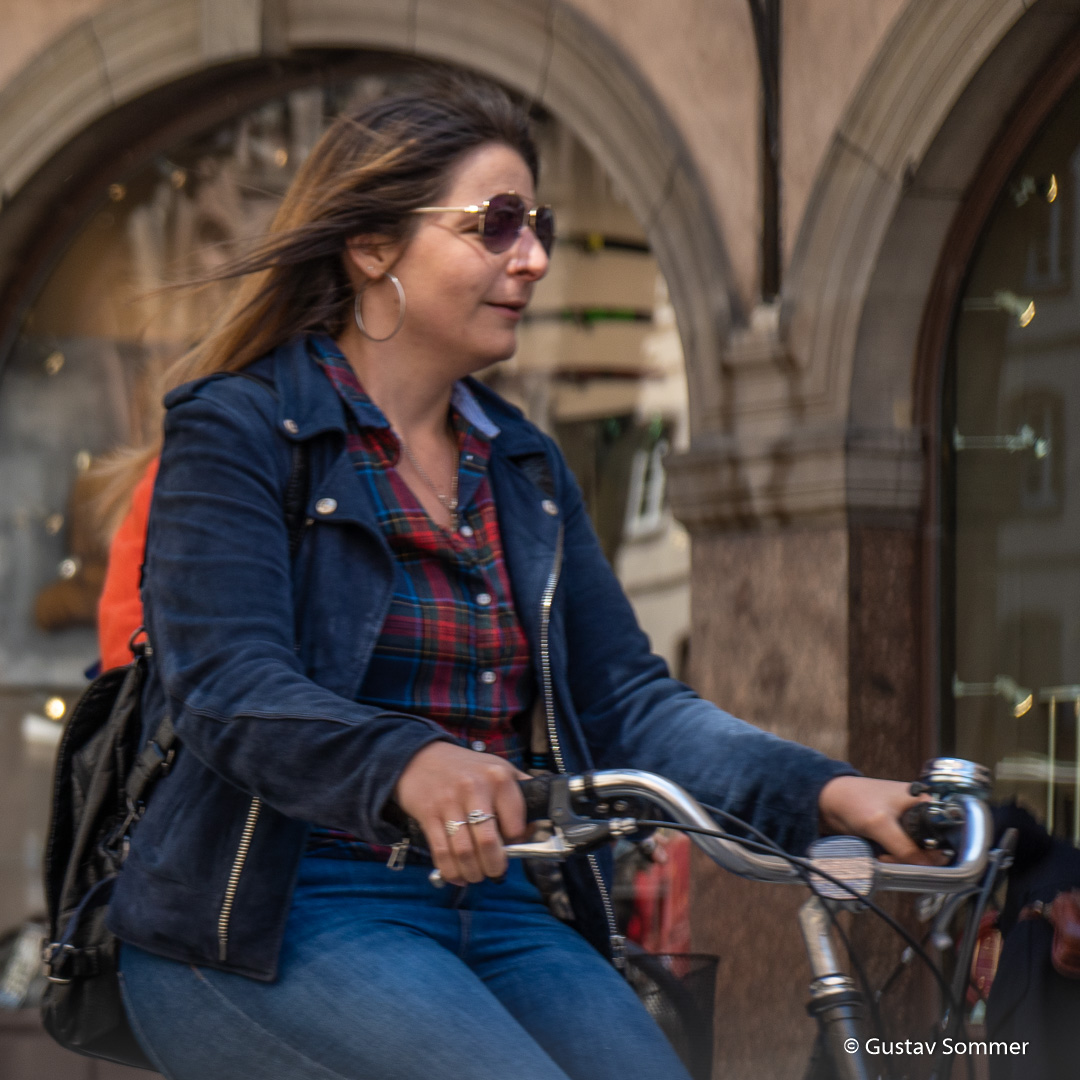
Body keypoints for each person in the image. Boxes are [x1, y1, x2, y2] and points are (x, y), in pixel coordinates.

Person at [102, 76, 933, 1080]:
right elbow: (228, 688)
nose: (532, 259)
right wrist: (408, 762)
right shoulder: (238, 427)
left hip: (492, 901)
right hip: (269, 909)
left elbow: (626, 699)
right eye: (495, 226)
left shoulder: (518, 462)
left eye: (535, 225)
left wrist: (830, 792)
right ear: (373, 248)